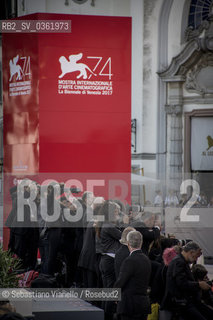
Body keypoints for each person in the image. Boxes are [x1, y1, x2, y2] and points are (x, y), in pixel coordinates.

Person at [161, 241, 213, 320]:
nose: (196, 259)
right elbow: (181, 283)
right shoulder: (179, 262)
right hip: (180, 303)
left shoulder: (180, 261)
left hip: (183, 302)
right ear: (191, 252)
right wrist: (199, 285)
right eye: (196, 256)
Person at [114, 231, 151, 320]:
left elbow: (121, 281)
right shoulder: (146, 259)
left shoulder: (129, 261)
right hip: (143, 305)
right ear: (141, 242)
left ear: (128, 243)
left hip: (129, 305)